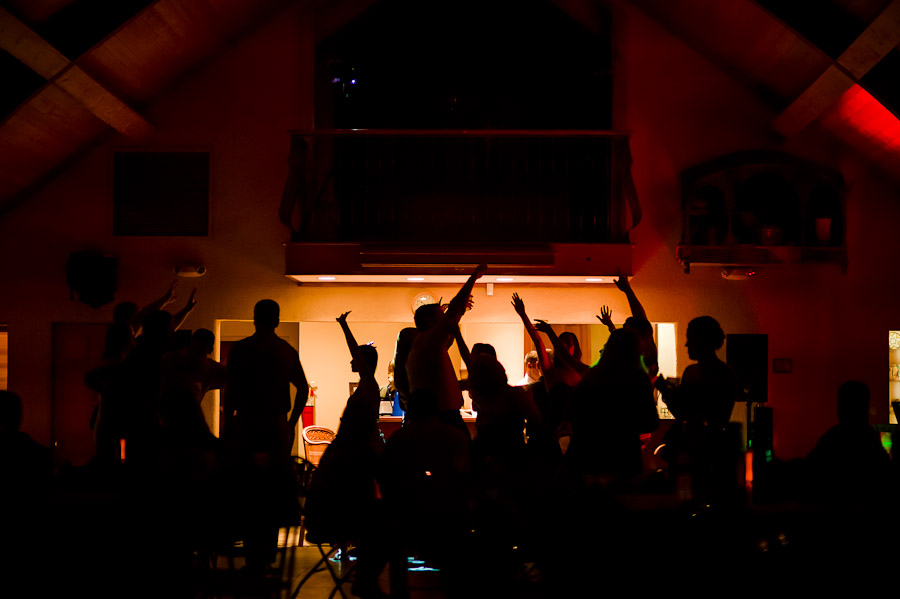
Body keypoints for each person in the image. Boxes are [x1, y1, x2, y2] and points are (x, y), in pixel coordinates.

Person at [224, 299, 309, 571]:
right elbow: (303, 388)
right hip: (275, 424)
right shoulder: (284, 349)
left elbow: (231, 392)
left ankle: (250, 552)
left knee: (247, 487)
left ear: (254, 318)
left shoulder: (241, 349)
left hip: (247, 422)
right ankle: (268, 553)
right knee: (272, 488)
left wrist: (229, 426)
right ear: (276, 320)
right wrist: (292, 421)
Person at [655, 316, 740, 498]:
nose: (686, 345)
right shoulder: (726, 373)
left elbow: (684, 412)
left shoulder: (696, 373)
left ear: (703, 340)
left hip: (699, 451)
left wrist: (668, 393)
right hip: (713, 450)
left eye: (690, 339)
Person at [568, 328, 658, 482]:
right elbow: (650, 422)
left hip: (589, 456)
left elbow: (573, 413)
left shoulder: (593, 376)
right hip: (624, 457)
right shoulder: (637, 378)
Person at [406, 263, 487, 435]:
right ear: (428, 322)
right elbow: (454, 311)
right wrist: (474, 276)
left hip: (436, 415)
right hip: (442, 417)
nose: (445, 320)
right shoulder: (428, 341)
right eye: (440, 316)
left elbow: (454, 316)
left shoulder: (424, 346)